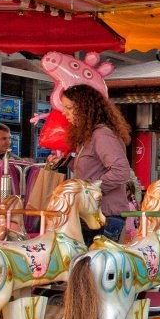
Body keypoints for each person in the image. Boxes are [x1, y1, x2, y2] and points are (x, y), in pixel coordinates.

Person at [53, 84, 131, 243]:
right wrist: (67, 162)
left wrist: (90, 192)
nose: (64, 112)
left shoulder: (101, 134)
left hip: (104, 215)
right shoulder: (90, 135)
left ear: (85, 108)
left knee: (93, 266)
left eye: (69, 108)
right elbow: (92, 169)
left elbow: (121, 171)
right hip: (92, 213)